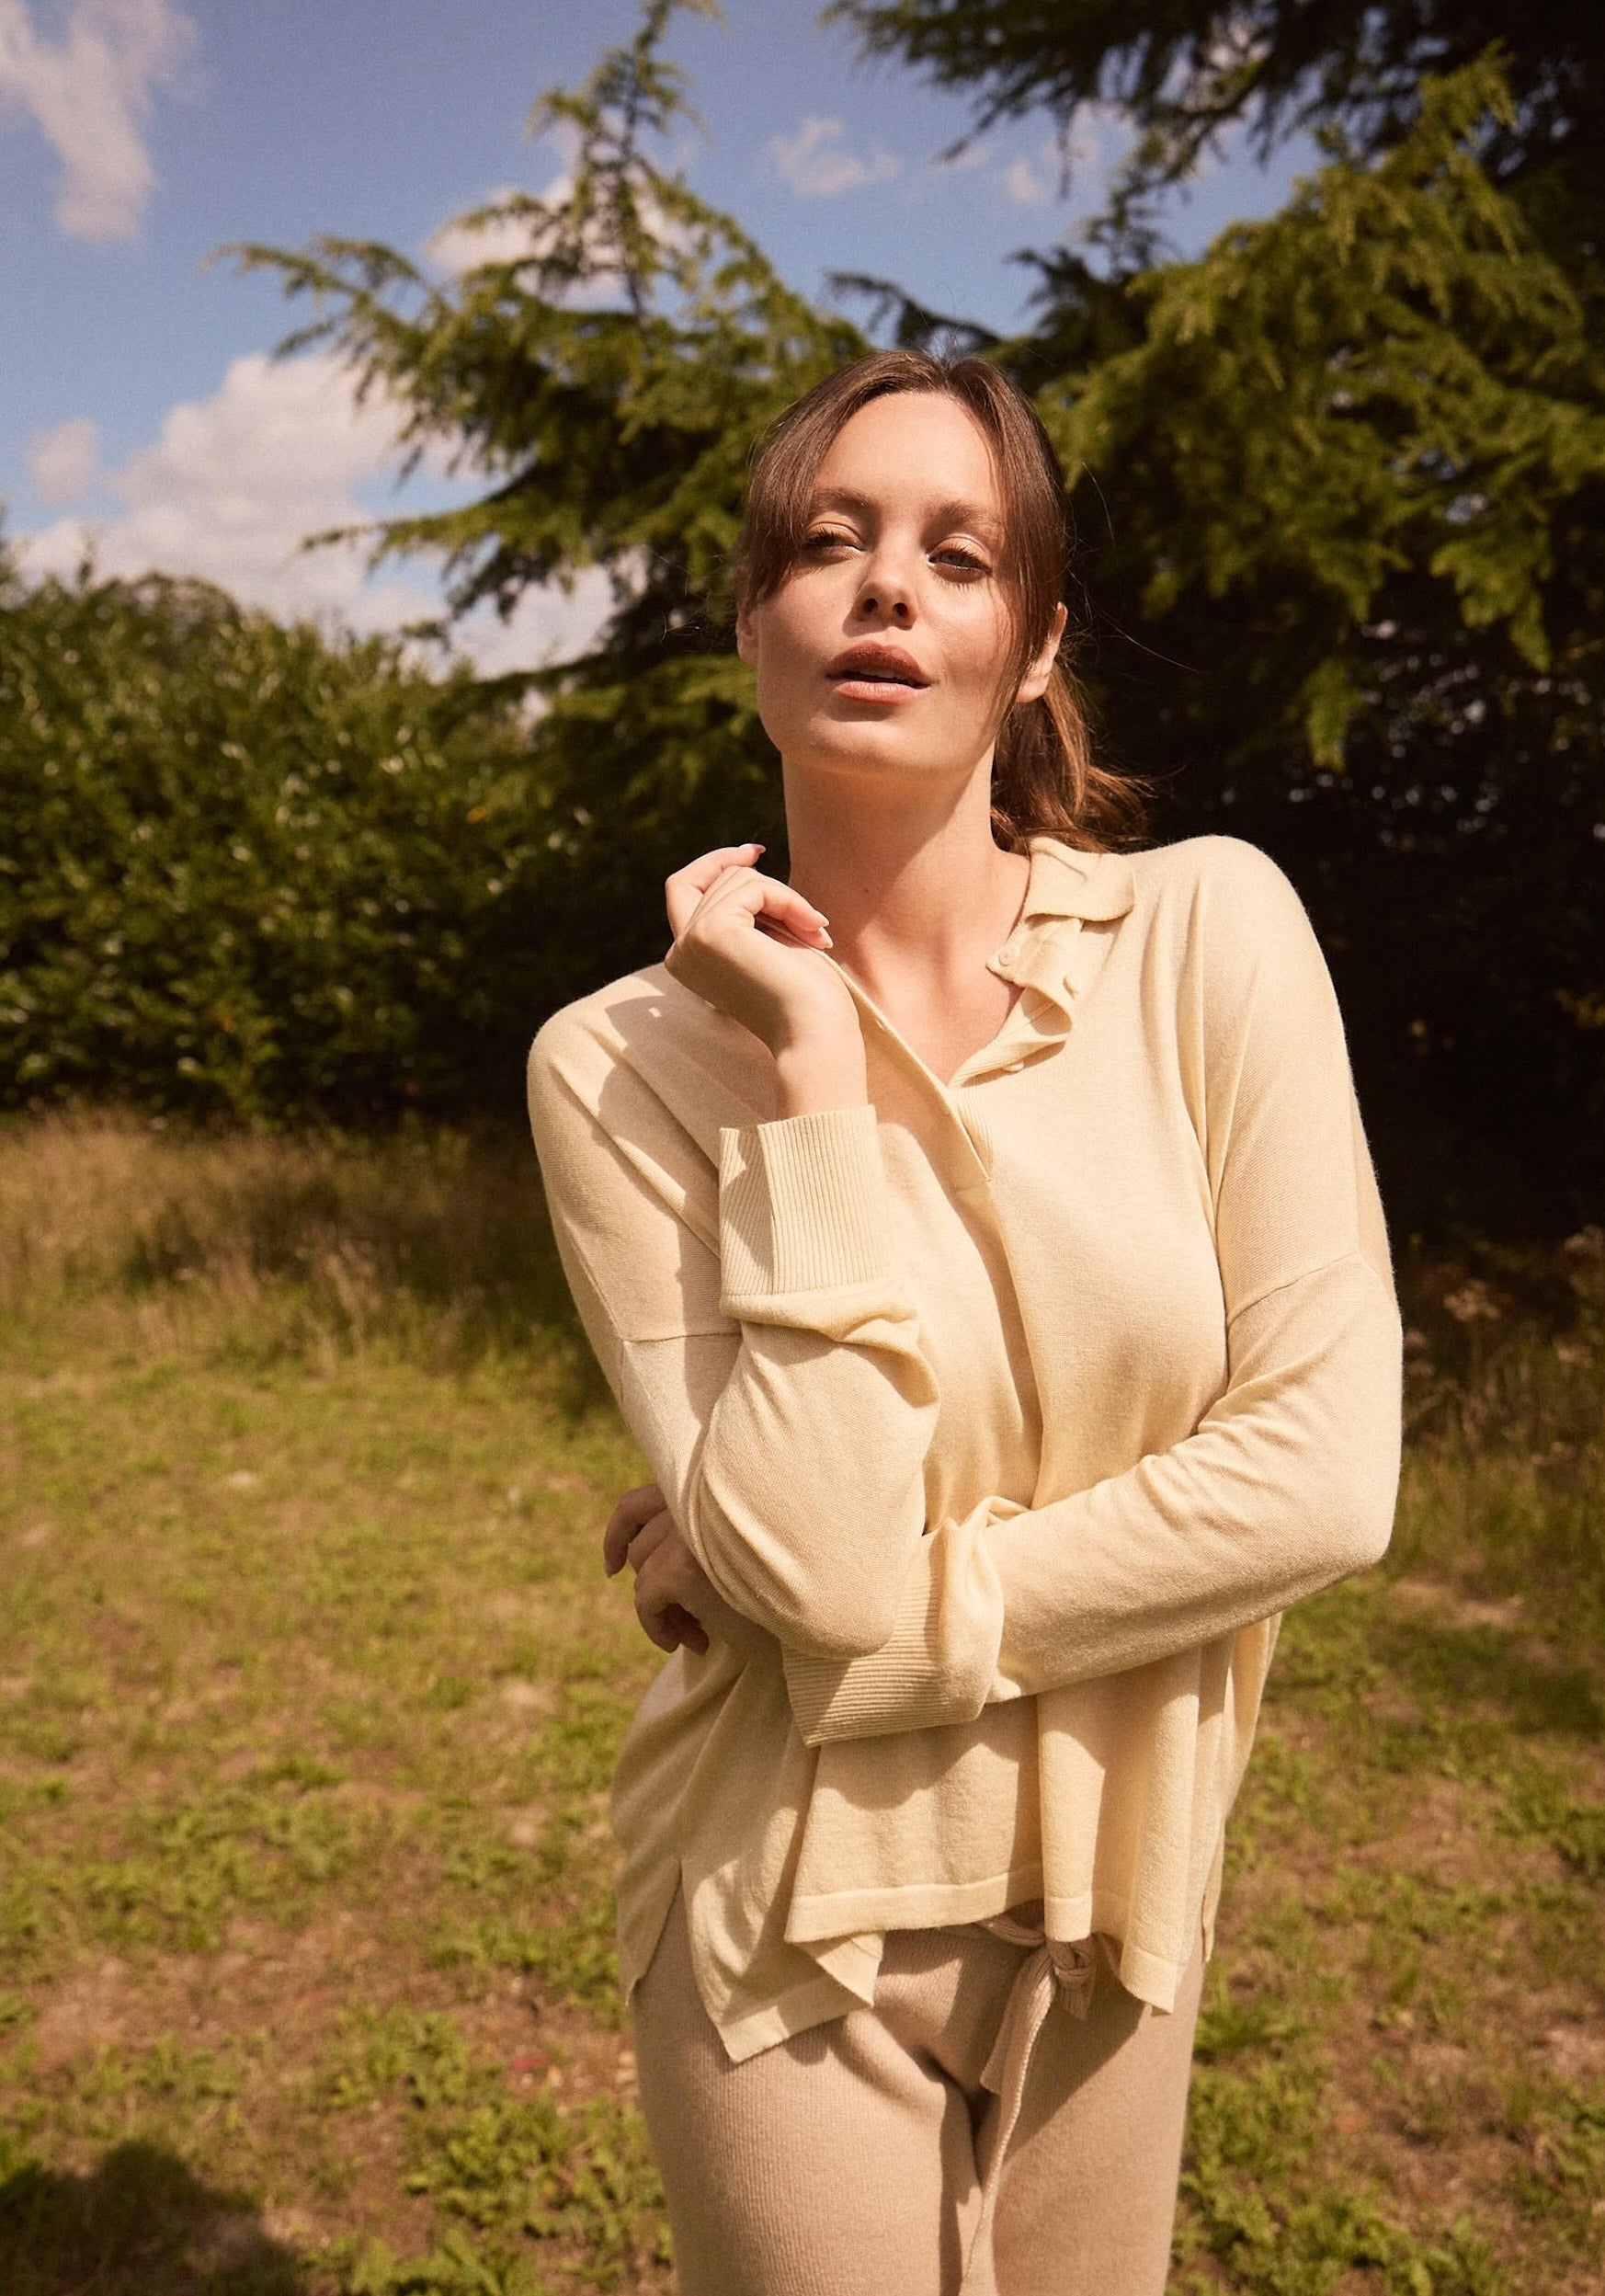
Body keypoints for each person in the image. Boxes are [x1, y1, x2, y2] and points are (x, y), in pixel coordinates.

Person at [525, 349, 1403, 2296]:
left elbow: (1326, 1477)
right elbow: (817, 1566)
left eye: (958, 554)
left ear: (1034, 644)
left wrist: (873, 1620)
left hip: (1124, 1900)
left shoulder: (1207, 934)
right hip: (785, 1916)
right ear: (751, 619)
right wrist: (812, 1070)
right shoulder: (616, 1062)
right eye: (826, 543)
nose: (885, 589)